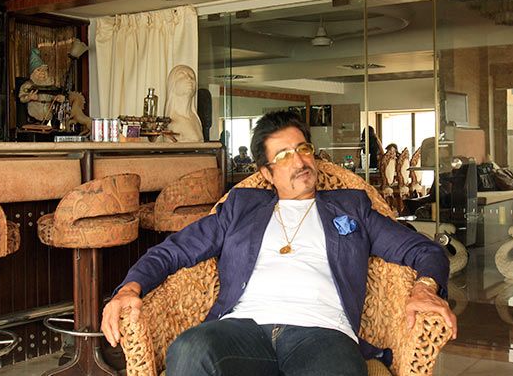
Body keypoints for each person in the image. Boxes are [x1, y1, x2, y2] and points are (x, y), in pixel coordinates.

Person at [101, 111, 456, 376]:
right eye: (284, 155)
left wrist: (425, 287)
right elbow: (173, 250)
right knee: (190, 349)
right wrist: (129, 288)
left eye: (303, 149)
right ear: (266, 173)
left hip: (323, 332)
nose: (299, 161)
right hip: (242, 329)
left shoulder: (351, 207)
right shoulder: (241, 208)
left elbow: (423, 250)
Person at [164, 64, 204, 142]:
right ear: (173, 84)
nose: (189, 78)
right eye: (182, 75)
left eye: (192, 77)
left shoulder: (196, 120)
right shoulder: (171, 122)